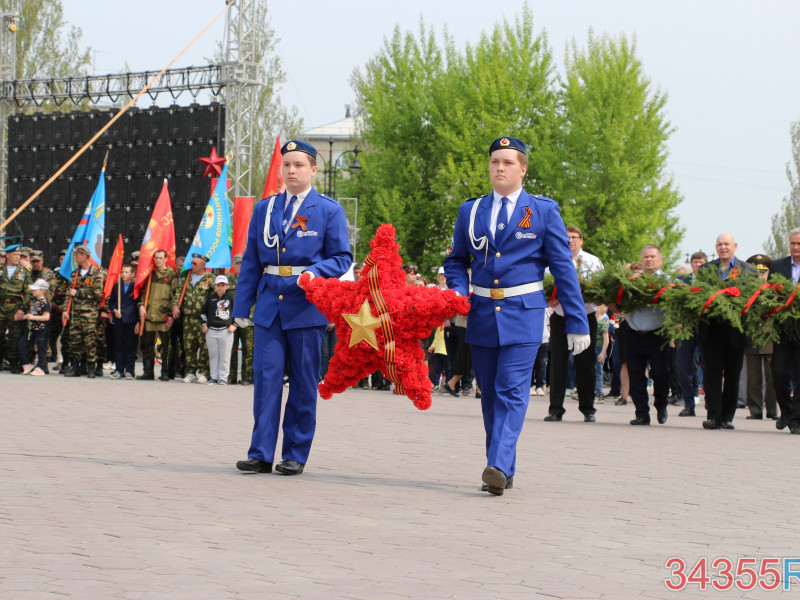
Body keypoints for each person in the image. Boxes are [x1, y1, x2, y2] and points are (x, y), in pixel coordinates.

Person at [444, 136, 590, 496]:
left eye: (508, 162)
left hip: (523, 313)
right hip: (481, 313)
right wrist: (459, 292)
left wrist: (577, 319)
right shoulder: (472, 210)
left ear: (523, 168)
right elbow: (457, 261)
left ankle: (495, 463)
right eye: (495, 161)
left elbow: (562, 268)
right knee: (490, 394)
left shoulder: (542, 211)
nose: (500, 168)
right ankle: (503, 467)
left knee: (512, 390)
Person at [233, 139, 352, 476]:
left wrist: (317, 272)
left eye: (299, 165)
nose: (291, 170)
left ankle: (295, 453)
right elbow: (252, 262)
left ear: (313, 169)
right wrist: (243, 306)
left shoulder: (328, 210)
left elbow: (342, 257)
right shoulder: (265, 209)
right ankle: (260, 452)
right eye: (287, 165)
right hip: (270, 306)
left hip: (306, 308)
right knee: (266, 379)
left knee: (302, 383)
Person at [545, 225, 604, 422]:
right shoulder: (552, 259)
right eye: (566, 237)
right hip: (560, 317)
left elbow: (601, 290)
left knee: (586, 364)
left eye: (574, 237)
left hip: (585, 318)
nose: (570, 240)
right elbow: (546, 287)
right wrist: (550, 300)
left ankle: (588, 409)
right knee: (558, 364)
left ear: (581, 240)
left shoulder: (592, 262)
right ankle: (555, 409)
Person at [697, 233, 754, 430]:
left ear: (735, 246)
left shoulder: (747, 270)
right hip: (711, 330)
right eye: (720, 244)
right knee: (711, 374)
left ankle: (728, 416)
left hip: (735, 331)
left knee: (732, 375)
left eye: (727, 244)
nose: (723, 247)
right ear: (716, 247)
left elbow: (751, 298)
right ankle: (713, 415)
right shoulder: (705, 269)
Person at [615, 245, 671, 426]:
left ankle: (661, 405)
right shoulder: (632, 280)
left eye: (653, 256)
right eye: (645, 257)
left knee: (661, 374)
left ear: (660, 260)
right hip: (634, 333)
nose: (649, 260)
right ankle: (641, 413)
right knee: (636, 375)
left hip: (658, 334)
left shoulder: (668, 282)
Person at [768, 228, 800, 434]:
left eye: (799, 244)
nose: (796, 248)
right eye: (793, 244)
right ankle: (786, 411)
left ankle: (795, 419)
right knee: (778, 371)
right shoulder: (778, 265)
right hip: (784, 329)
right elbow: (768, 295)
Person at [743, 254, 778, 421]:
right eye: (756, 272)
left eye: (763, 272)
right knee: (753, 377)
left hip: (770, 336)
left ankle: (772, 410)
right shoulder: (746, 291)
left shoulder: (775, 289)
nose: (760, 276)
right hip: (752, 336)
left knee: (773, 376)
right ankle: (755, 410)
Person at [64, 245, 104, 378]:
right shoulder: (74, 274)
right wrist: (65, 310)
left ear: (86, 256)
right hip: (75, 313)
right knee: (74, 341)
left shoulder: (96, 273)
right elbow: (68, 294)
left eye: (78, 255)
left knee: (89, 341)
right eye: (75, 255)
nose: (76, 257)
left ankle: (91, 368)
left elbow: (98, 293)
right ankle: (75, 368)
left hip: (90, 314)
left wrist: (79, 292)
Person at [137, 249, 178, 381]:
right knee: (147, 346)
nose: (158, 260)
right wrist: (141, 306)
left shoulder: (171, 276)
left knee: (166, 347)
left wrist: (171, 316)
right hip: (149, 316)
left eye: (161, 258)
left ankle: (165, 372)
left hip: (164, 317)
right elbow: (143, 293)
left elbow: (175, 297)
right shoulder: (150, 275)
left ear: (166, 259)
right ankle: (148, 372)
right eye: (156, 258)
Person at [174, 254, 214, 384]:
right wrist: (175, 306)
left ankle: (203, 372)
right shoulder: (187, 278)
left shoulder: (210, 279)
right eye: (192, 263)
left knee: (204, 346)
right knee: (188, 346)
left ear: (203, 265)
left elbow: (214, 298)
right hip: (188, 319)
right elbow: (178, 294)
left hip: (202, 319)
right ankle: (190, 372)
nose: (192, 265)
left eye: (195, 263)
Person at [676, 251, 707, 417]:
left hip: (706, 328)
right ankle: (688, 404)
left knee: (708, 368)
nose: (698, 265)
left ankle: (711, 404)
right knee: (685, 367)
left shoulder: (712, 281)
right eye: (695, 262)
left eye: (701, 262)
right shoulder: (682, 280)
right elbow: (674, 302)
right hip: (685, 328)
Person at [0, 244, 32, 373]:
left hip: (15, 307)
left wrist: (22, 310)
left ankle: (13, 363)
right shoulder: (0, 269)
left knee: (15, 336)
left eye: (19, 255)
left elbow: (28, 293)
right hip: (1, 306)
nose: (17, 257)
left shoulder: (24, 272)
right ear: (7, 255)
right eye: (15, 254)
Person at [201, 275, 237, 385]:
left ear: (227, 286)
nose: (220, 288)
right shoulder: (210, 298)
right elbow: (203, 313)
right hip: (211, 330)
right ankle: (213, 376)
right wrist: (204, 324)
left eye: (223, 285)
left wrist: (234, 325)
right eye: (218, 285)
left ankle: (223, 377)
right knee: (213, 354)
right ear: (215, 286)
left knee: (225, 355)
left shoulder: (231, 299)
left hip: (225, 331)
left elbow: (238, 313)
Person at [109, 264, 139, 379]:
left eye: (127, 272)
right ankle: (118, 369)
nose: (124, 274)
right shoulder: (117, 286)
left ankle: (130, 370)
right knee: (119, 344)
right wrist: (114, 310)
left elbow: (138, 304)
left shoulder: (136, 287)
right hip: (119, 319)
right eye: (123, 272)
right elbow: (111, 302)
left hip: (131, 319)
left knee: (131, 345)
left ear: (132, 274)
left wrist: (138, 322)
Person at [227, 254, 253, 385]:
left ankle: (247, 377)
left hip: (248, 320)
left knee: (248, 350)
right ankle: (231, 377)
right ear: (233, 265)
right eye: (237, 263)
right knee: (232, 349)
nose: (239, 266)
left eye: (241, 263)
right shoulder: (228, 280)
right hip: (231, 320)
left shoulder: (251, 279)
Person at [20, 278, 51, 376]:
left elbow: (46, 317)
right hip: (32, 329)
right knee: (22, 344)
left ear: (42, 290)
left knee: (41, 348)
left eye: (35, 290)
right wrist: (23, 317)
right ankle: (27, 363)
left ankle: (41, 367)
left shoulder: (45, 303)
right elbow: (32, 313)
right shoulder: (34, 301)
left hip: (42, 330)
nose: (33, 291)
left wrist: (32, 317)